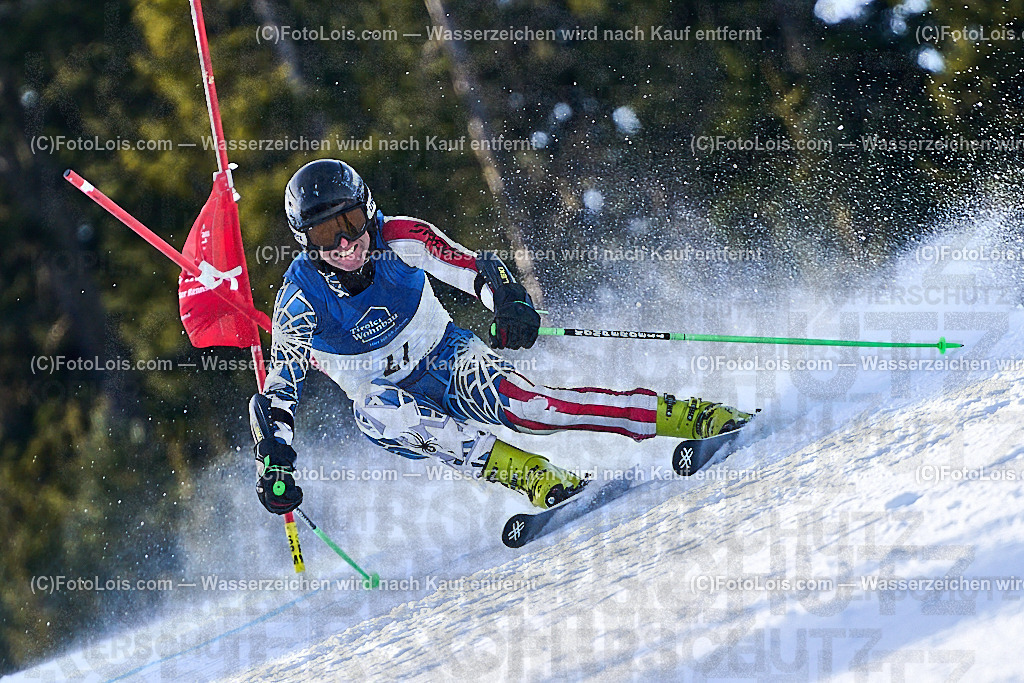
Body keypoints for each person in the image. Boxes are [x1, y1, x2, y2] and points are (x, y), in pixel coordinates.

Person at [250, 159, 752, 515]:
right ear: (305, 242)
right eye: (323, 235)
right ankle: (535, 478)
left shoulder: (399, 236)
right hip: (392, 406)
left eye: (351, 223)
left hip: (445, 358)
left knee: (532, 408)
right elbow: (282, 385)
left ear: (369, 211)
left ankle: (686, 415)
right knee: (374, 408)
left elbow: (476, 271)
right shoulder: (300, 295)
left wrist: (508, 304)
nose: (343, 243)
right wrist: (276, 456)